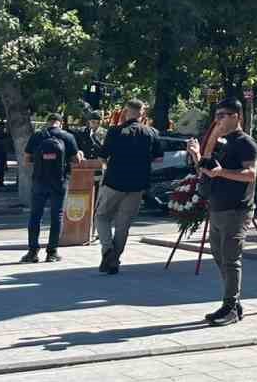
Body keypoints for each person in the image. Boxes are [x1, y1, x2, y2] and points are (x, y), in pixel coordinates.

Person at [198, 99, 257, 326]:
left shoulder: (245, 142)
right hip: (218, 206)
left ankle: (230, 307)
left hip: (237, 209)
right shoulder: (223, 141)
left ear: (237, 116)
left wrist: (222, 173)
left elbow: (251, 174)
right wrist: (198, 156)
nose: (218, 119)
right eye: (217, 114)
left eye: (223, 114)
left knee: (231, 259)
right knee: (219, 256)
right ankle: (234, 303)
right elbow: (207, 168)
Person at [95, 100, 164, 275]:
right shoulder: (152, 132)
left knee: (102, 216)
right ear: (143, 114)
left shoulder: (115, 131)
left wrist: (108, 165)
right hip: (138, 184)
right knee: (123, 224)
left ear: (126, 112)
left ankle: (108, 250)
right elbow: (158, 159)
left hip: (114, 182)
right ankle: (114, 260)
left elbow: (103, 156)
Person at [21, 117, 80, 263]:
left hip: (40, 181)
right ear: (60, 122)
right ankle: (52, 252)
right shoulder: (67, 137)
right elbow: (76, 161)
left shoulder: (37, 136)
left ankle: (32, 252)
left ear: (48, 122)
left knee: (35, 215)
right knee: (57, 216)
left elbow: (27, 159)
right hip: (59, 182)